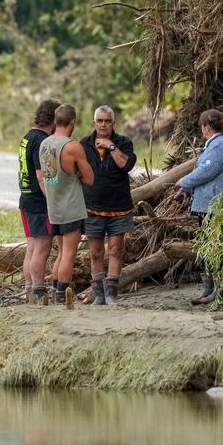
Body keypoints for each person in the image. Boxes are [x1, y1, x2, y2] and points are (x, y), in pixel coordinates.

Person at [177, 109, 223, 305]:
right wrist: (186, 188)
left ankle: (220, 290)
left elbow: (207, 171)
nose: (201, 129)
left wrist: (183, 180)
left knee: (216, 247)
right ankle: (208, 289)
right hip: (206, 204)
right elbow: (203, 172)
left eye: (201, 126)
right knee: (208, 247)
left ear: (206, 126)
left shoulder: (220, 144)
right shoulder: (213, 145)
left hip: (216, 205)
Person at [80, 105, 137, 306]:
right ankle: (99, 295)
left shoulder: (124, 143)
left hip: (119, 207)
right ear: (94, 122)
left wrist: (110, 146)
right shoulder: (84, 144)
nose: (103, 124)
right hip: (91, 207)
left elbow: (127, 165)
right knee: (95, 252)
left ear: (114, 123)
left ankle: (112, 295)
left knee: (115, 249)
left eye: (108, 121)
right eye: (100, 121)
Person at [36, 105, 94, 305]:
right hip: (71, 207)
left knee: (61, 252)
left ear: (55, 120)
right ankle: (62, 297)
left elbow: (47, 175)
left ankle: (54, 292)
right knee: (69, 254)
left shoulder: (44, 144)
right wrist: (77, 172)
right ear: (73, 122)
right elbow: (90, 178)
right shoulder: (72, 146)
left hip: (54, 207)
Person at [18, 99, 59, 303]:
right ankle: (38, 289)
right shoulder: (43, 142)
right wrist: (53, 200)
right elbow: (42, 176)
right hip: (39, 202)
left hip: (25, 199)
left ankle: (28, 291)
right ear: (53, 119)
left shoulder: (27, 137)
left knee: (32, 247)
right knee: (42, 247)